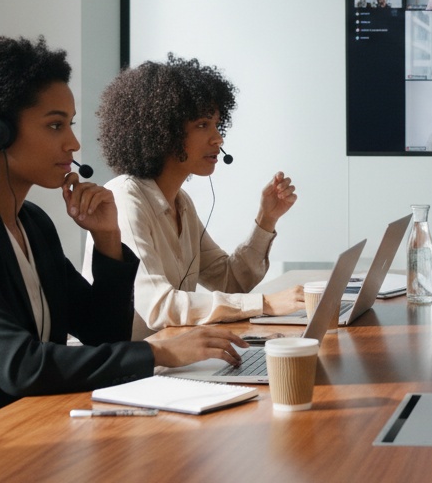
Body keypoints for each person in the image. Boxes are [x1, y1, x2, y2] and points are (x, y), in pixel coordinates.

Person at [0, 36, 243, 465]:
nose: (73, 144)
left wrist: (107, 239)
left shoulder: (32, 223)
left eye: (70, 124)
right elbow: (19, 364)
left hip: (18, 430)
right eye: (55, 125)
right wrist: (160, 352)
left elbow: (103, 333)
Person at [94, 55, 304, 340]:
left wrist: (267, 219)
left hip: (172, 359)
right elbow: (159, 306)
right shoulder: (124, 199)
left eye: (217, 124)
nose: (218, 138)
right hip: (132, 373)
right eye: (203, 125)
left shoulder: (181, 202)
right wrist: (265, 304)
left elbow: (230, 281)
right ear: (163, 131)